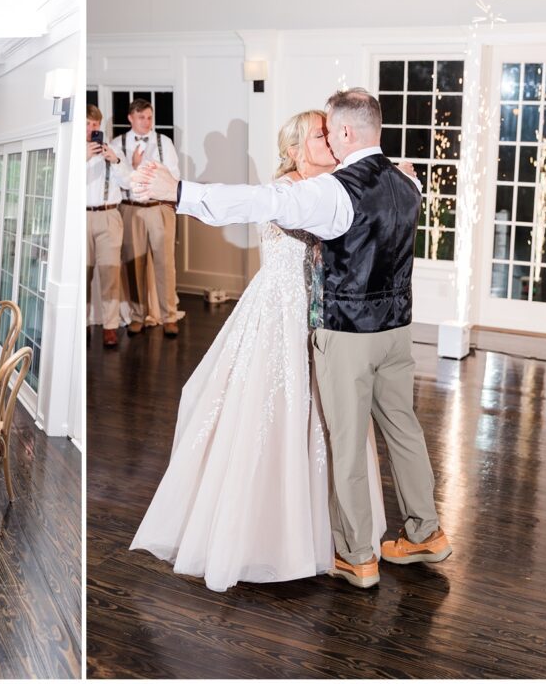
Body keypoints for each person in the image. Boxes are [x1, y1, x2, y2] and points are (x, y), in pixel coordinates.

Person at [134, 89, 452, 589]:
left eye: (330, 130)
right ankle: (426, 532)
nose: (326, 137)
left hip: (348, 332)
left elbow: (258, 201)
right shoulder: (405, 181)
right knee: (404, 430)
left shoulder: (334, 191)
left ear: (346, 133)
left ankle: (358, 555)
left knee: (344, 441)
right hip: (397, 331)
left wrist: (182, 191)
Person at [110, 98, 182, 337]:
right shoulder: (117, 143)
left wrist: (146, 171)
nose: (147, 122)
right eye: (142, 117)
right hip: (131, 208)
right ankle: (138, 317)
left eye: (150, 117)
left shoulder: (164, 142)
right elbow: (120, 179)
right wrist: (135, 166)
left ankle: (169, 316)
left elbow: (173, 174)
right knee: (134, 263)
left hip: (160, 208)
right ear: (131, 118)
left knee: (166, 263)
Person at [86, 104, 129, 348]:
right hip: (82, 217)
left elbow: (128, 181)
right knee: (84, 273)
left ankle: (110, 327)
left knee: (110, 273)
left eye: (95, 125)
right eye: (88, 124)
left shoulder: (112, 151)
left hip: (109, 215)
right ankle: (83, 325)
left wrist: (117, 160)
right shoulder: (74, 152)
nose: (92, 129)